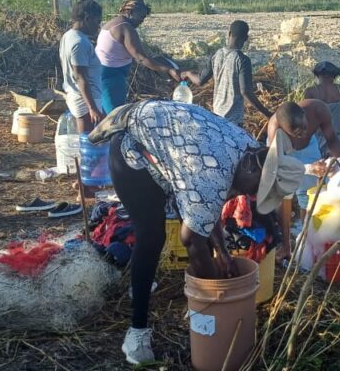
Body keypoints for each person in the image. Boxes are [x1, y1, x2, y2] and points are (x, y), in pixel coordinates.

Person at [90, 100, 302, 364]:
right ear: (250, 166)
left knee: (197, 220)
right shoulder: (211, 175)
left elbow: (205, 206)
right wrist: (214, 296)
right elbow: (191, 238)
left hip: (172, 149)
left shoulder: (248, 150)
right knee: (152, 235)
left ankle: (156, 288)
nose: (251, 195)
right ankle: (137, 333)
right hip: (132, 149)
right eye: (258, 187)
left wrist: (223, 254)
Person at [264, 100, 340, 260]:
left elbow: (332, 139)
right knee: (284, 196)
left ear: (304, 114)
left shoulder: (319, 109)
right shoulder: (274, 128)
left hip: (308, 148)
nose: (301, 134)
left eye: (304, 129)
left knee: (311, 195)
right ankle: (286, 247)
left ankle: (308, 242)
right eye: (295, 133)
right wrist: (309, 168)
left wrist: (339, 162)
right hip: (283, 155)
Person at [96, 0, 182, 113]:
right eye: (141, 15)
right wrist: (169, 70)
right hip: (112, 77)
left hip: (101, 73)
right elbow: (141, 58)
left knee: (104, 113)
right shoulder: (125, 28)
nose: (142, 19)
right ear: (131, 12)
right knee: (114, 116)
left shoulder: (113, 23)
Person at [185, 20, 272, 125]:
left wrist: (188, 73)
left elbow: (200, 80)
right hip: (233, 122)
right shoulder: (242, 60)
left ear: (229, 33)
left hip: (216, 117)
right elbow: (245, 91)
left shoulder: (216, 55)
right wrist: (268, 114)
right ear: (245, 38)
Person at [59, 0, 104, 133]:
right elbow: (80, 77)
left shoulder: (68, 36)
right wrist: (92, 108)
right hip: (84, 100)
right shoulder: (79, 43)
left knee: (90, 143)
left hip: (80, 96)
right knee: (89, 144)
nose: (98, 26)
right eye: (97, 22)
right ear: (88, 18)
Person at [302, 61, 340, 157]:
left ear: (318, 76)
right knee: (337, 168)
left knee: (319, 168)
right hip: (336, 142)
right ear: (334, 76)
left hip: (318, 141)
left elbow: (306, 121)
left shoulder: (310, 92)